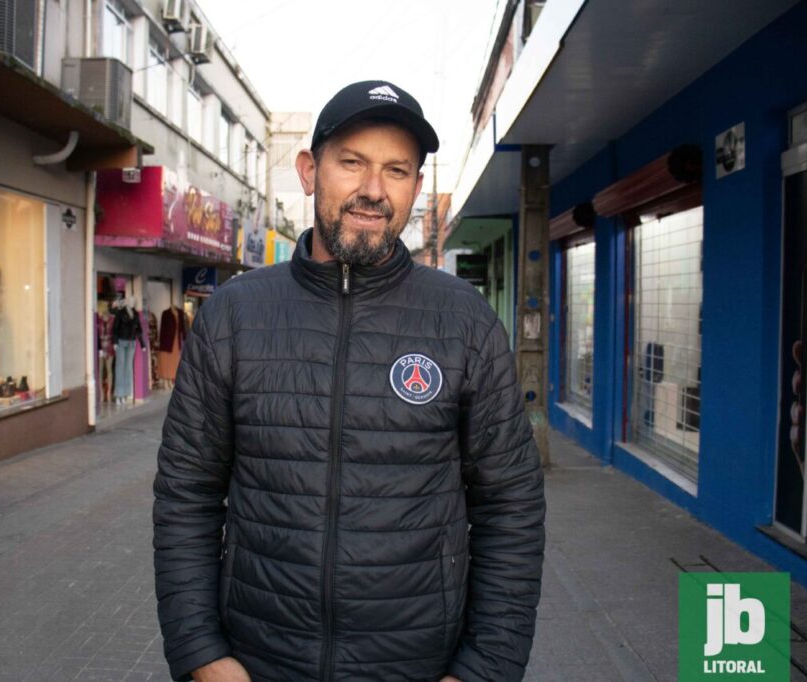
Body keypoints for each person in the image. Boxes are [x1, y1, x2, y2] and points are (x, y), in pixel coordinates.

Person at [154, 80, 545, 682]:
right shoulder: (234, 315)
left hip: (417, 664)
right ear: (310, 171)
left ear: (417, 187)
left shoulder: (464, 320)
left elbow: (511, 507)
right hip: (260, 662)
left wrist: (485, 669)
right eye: (352, 163)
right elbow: (186, 495)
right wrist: (200, 652)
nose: (372, 190)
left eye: (396, 170)